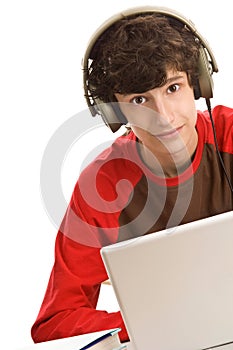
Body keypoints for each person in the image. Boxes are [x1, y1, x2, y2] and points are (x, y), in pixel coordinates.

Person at [31, 6, 233, 344]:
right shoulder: (103, 185)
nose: (164, 117)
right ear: (115, 112)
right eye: (140, 100)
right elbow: (55, 323)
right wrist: (153, 320)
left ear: (198, 83)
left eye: (173, 88)